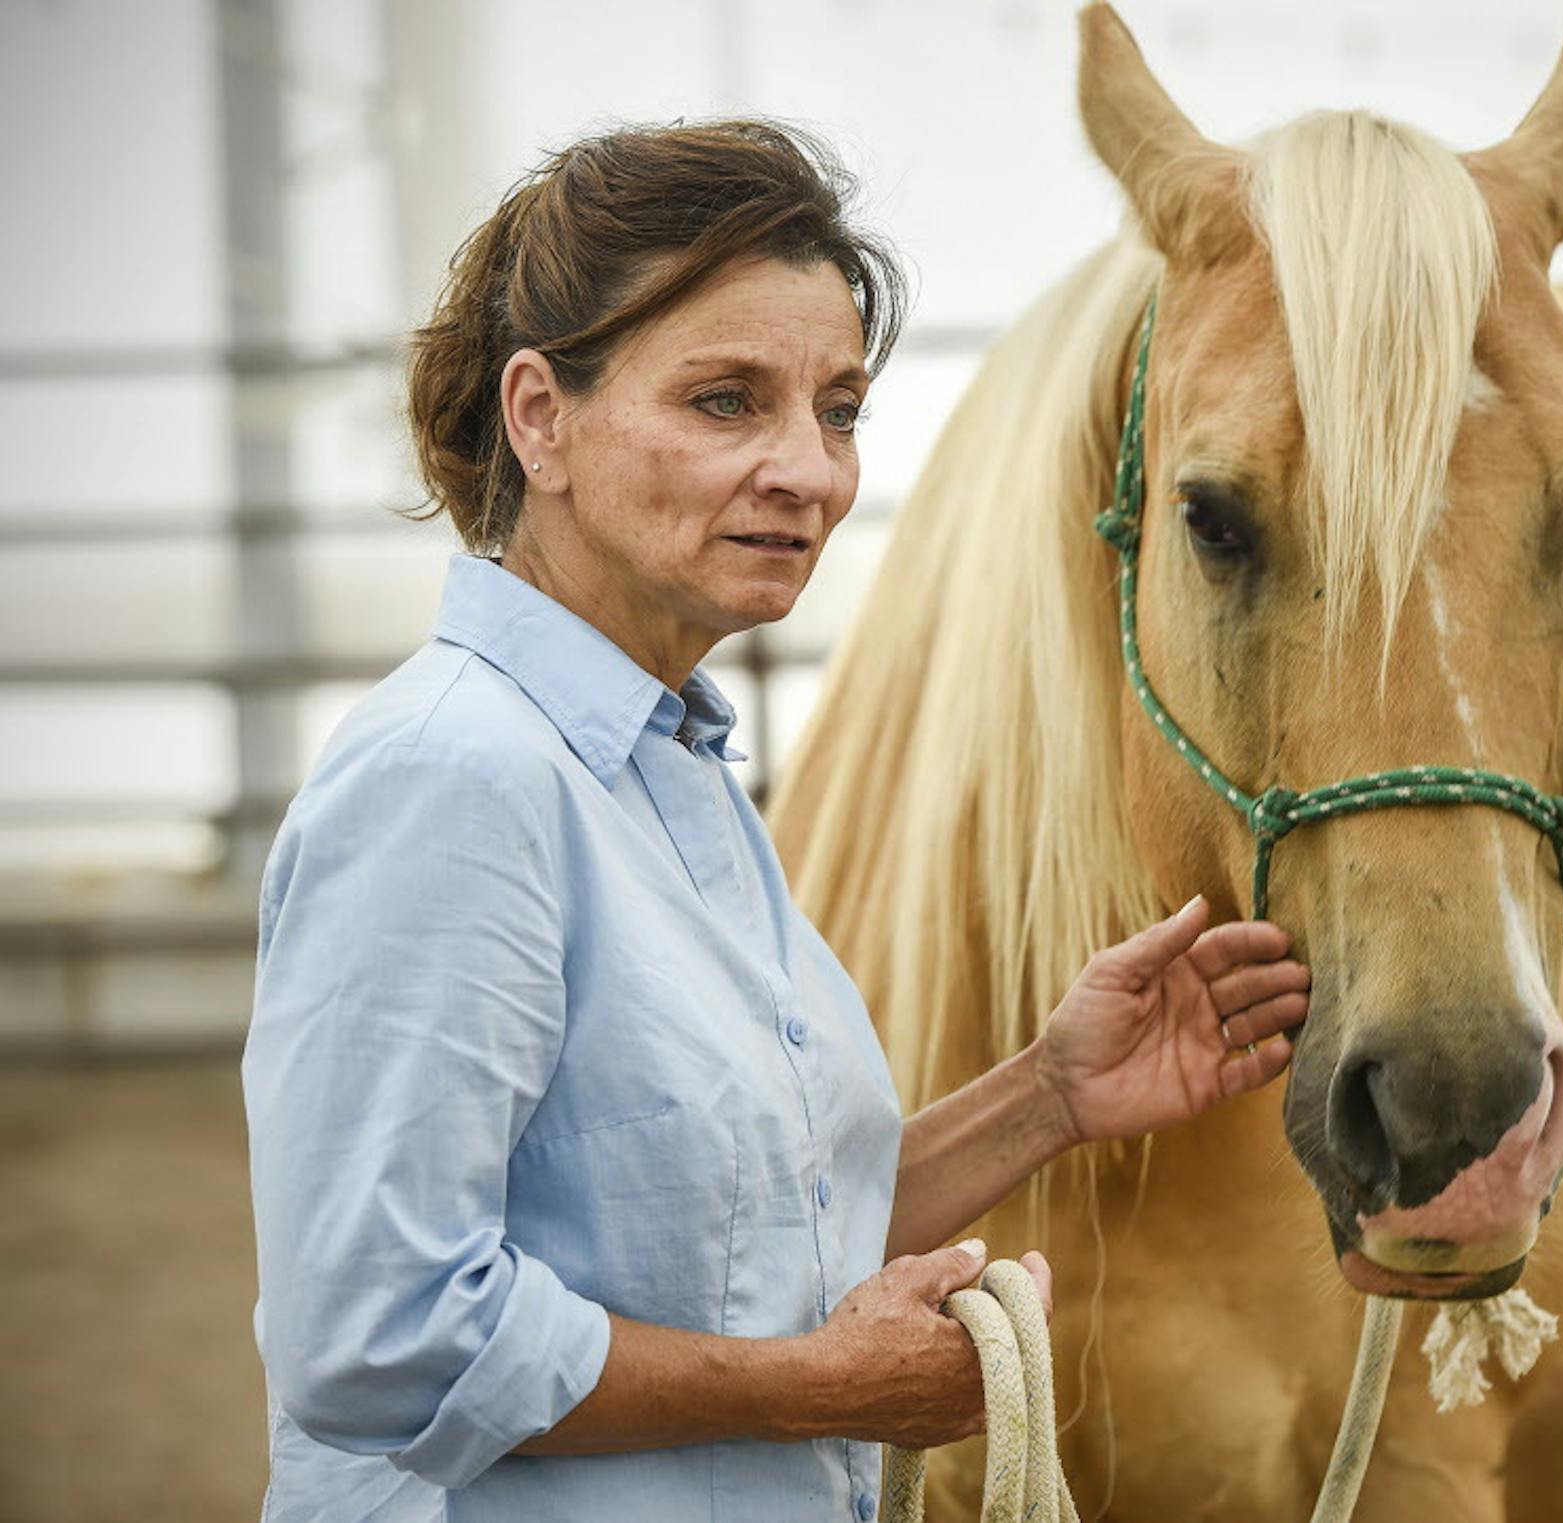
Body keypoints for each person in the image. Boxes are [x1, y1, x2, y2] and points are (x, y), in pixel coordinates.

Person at [240, 118, 1310, 1522]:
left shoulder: (668, 771)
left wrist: (1050, 1093)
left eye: (842, 408)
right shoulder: (452, 784)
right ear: (538, 417)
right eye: (728, 401)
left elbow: (754, 1239)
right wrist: (826, 1390)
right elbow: (377, 1339)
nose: (810, 471)